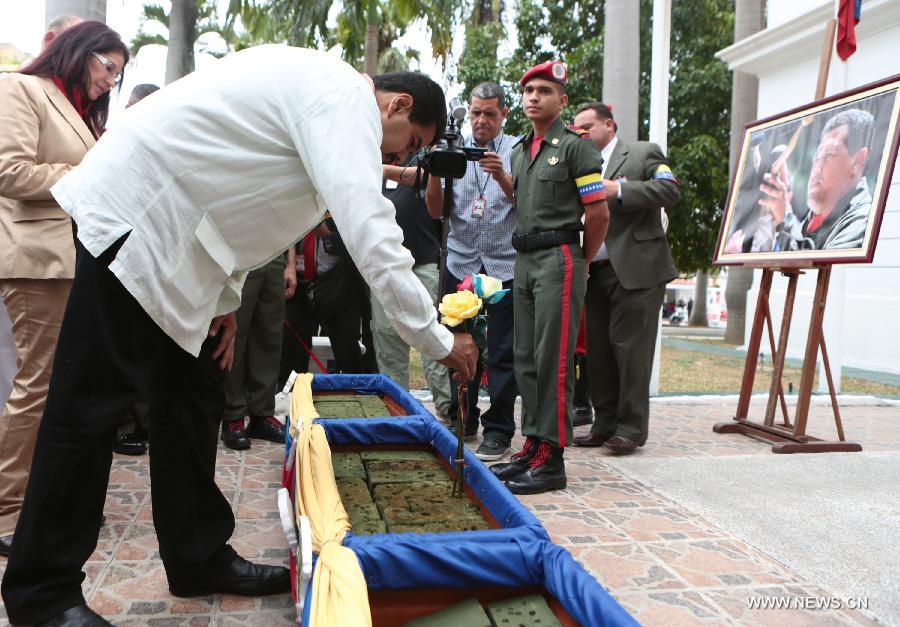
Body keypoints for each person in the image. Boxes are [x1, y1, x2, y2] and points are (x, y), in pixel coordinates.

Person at [0, 47, 477, 627]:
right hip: (138, 218)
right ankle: (42, 594)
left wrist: (222, 298)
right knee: (91, 401)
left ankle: (197, 555)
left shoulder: (323, 92)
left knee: (196, 390)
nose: (390, 156)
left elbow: (240, 192)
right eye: (400, 144)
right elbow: (370, 232)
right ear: (398, 103)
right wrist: (438, 340)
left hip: (184, 242)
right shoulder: (344, 97)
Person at [0, 21, 128, 560]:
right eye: (107, 67)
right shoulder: (21, 88)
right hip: (38, 261)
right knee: (36, 384)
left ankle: (43, 495)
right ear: (79, 52)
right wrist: (94, 168)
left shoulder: (78, 110)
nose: (109, 81)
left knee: (58, 385)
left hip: (78, 260)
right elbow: (10, 172)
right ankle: (8, 508)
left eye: (118, 76)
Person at [490, 62, 609, 494]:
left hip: (559, 255)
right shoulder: (520, 151)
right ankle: (534, 446)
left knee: (553, 360)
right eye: (528, 90)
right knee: (526, 359)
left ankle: (553, 459)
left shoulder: (577, 147)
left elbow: (598, 213)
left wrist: (582, 261)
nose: (533, 97)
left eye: (544, 90)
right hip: (523, 259)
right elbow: (523, 200)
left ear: (562, 101)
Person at [569, 102, 680, 455]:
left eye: (588, 127)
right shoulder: (579, 164)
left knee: (630, 350)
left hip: (637, 270)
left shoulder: (643, 153)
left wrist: (621, 190)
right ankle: (604, 424)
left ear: (610, 126)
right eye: (577, 129)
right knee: (599, 351)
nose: (582, 134)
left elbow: (670, 190)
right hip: (595, 270)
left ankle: (631, 428)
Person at [426, 81, 519, 462]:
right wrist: (435, 168)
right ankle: (463, 419)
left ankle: (499, 429)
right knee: (458, 347)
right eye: (476, 112)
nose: (481, 121)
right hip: (461, 261)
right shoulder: (453, 149)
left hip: (503, 264)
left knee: (501, 352)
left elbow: (526, 205)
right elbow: (435, 211)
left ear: (503, 114)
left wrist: (501, 176)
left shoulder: (517, 151)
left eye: (490, 114)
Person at [378, 156, 452, 418]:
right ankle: (397, 413)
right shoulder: (368, 159)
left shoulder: (421, 156)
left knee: (432, 337)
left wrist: (385, 169)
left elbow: (426, 173)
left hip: (423, 264)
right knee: (388, 342)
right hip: (384, 268)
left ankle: (447, 408)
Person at [113, 83, 161, 457]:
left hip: (148, 258)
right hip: (115, 256)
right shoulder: (111, 143)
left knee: (141, 350)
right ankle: (123, 425)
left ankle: (142, 423)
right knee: (118, 347)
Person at [768, 109, 873, 252]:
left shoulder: (861, 219)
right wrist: (783, 217)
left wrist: (785, 219)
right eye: (816, 158)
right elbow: (797, 251)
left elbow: (816, 257)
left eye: (830, 154)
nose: (817, 169)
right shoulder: (814, 219)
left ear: (857, 161)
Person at [220, 249, 294, 451]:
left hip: (275, 252)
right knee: (237, 333)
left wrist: (290, 265)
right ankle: (233, 415)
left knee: (270, 335)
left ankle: (262, 413)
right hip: (243, 252)